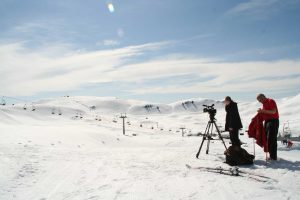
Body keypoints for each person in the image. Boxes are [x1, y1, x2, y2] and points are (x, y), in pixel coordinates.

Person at [256, 93, 280, 160]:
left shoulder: (270, 101)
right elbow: (266, 113)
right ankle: (271, 155)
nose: (259, 101)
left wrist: (263, 111)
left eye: (259, 100)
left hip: (273, 121)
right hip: (267, 122)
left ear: (263, 97)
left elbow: (273, 112)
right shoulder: (264, 104)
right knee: (266, 138)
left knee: (271, 138)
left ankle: (273, 156)